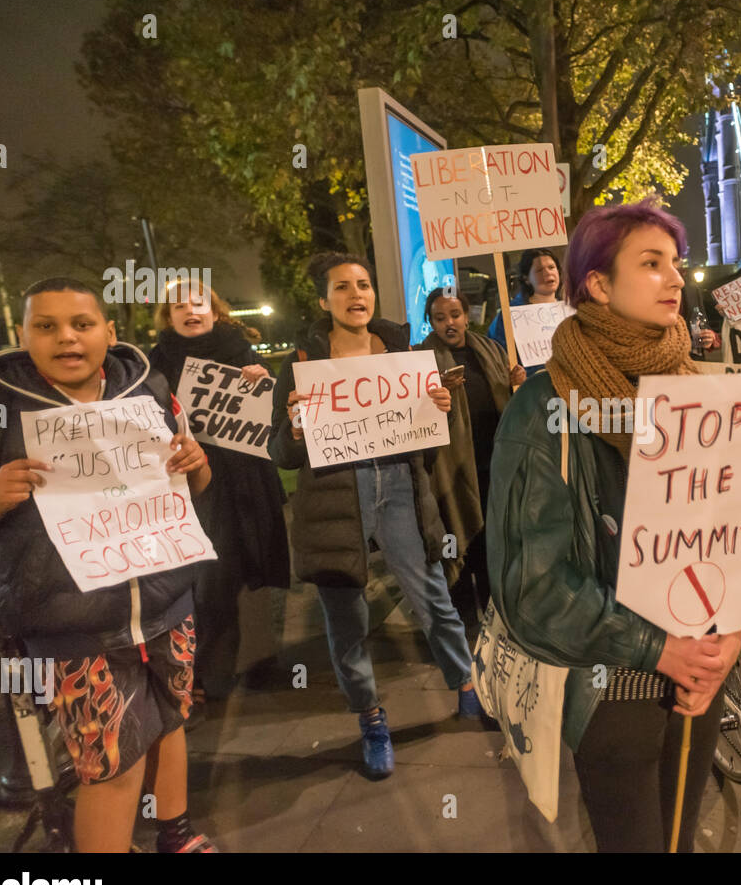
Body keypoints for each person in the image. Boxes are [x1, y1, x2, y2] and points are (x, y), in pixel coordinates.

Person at [485, 199, 741, 852]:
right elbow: (530, 586)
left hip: (699, 681)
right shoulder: (541, 410)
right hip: (609, 689)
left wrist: (730, 633)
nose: (676, 278)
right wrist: (657, 648)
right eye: (652, 263)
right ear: (596, 282)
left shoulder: (703, 392)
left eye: (675, 263)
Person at [0, 278, 216, 852]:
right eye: (45, 326)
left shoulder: (151, 390)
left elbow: (193, 484)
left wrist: (195, 464)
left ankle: (175, 835)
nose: (66, 338)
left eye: (82, 323)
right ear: (22, 336)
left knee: (172, 725)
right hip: (72, 627)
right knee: (110, 768)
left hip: (167, 604)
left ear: (109, 332)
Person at [268, 252, 482, 780]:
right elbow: (280, 451)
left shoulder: (406, 355)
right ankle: (371, 718)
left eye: (363, 284)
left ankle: (469, 689)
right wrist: (295, 434)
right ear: (323, 301)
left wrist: (437, 410)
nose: (356, 295)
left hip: (401, 487)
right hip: (337, 496)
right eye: (342, 288)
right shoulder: (300, 365)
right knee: (347, 619)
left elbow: (432, 443)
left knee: (432, 596)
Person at [148, 280, 290, 713]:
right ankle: (208, 671)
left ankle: (260, 661)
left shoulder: (241, 351)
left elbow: (274, 416)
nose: (191, 311)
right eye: (179, 306)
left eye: (200, 303)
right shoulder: (154, 365)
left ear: (215, 311)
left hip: (248, 478)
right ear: (167, 317)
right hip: (193, 482)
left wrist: (263, 383)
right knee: (207, 577)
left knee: (254, 566)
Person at [418, 287, 525, 623]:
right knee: (459, 545)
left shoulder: (491, 350)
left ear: (467, 316)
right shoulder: (419, 361)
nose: (449, 323)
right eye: (440, 318)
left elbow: (507, 401)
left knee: (494, 549)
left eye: (455, 315)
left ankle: (498, 624)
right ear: (431, 323)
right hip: (451, 473)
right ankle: (465, 627)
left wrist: (514, 382)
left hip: (494, 467)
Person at [487, 247, 562, 375]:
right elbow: (500, 357)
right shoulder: (511, 316)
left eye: (551, 267)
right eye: (539, 270)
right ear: (526, 278)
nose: (547, 273)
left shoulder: (572, 309)